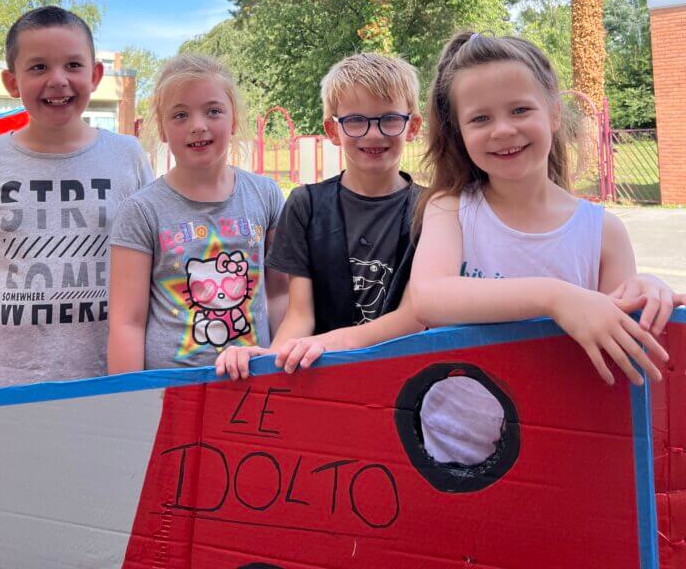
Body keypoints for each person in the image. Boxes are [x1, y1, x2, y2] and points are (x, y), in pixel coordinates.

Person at [409, 31, 682, 464]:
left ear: (554, 113)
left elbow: (619, 346)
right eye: (480, 118)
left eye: (520, 110)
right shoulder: (450, 209)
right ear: (459, 132)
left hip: (561, 461)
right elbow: (428, 298)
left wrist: (644, 290)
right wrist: (556, 297)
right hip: (444, 458)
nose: (503, 129)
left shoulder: (604, 232)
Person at [0, 6, 153, 395]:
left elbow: (154, 267)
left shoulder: (127, 156)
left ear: (95, 75)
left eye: (73, 65)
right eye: (38, 67)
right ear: (12, 82)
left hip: (104, 381)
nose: (58, 80)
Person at [217, 51, 426, 381]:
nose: (373, 134)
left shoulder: (433, 209)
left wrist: (331, 342)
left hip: (407, 381)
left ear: (412, 126)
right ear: (332, 130)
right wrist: (271, 359)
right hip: (325, 381)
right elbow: (300, 316)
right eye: (355, 120)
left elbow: (414, 317)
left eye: (388, 119)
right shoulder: (305, 205)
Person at [107, 54, 286, 373]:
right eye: (180, 115)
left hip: (254, 383)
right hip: (169, 390)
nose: (198, 126)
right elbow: (127, 323)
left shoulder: (266, 195)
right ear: (162, 129)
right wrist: (129, 398)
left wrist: (282, 371)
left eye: (213, 111)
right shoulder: (141, 210)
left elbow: (280, 295)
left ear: (233, 119)